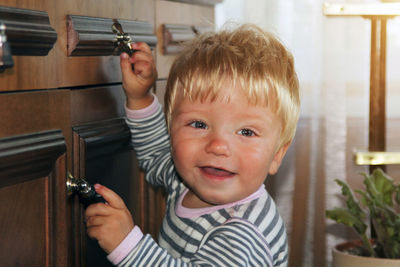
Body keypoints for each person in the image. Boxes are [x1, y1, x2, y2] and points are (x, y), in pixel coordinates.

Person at [85, 23, 300, 266]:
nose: (218, 146)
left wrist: (127, 246)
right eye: (199, 124)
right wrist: (141, 98)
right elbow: (157, 154)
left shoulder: (243, 233)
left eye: (246, 131)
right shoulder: (187, 180)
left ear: (277, 155)